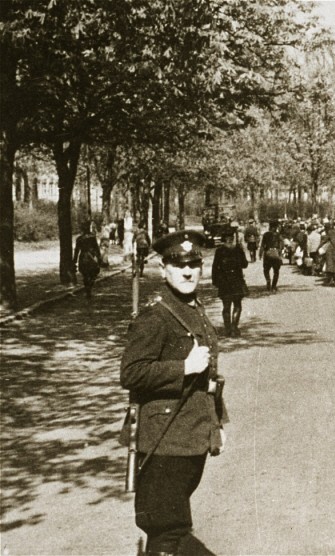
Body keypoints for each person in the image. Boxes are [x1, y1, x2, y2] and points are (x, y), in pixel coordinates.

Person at [120, 230, 227, 555]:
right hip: (165, 441)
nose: (187, 272)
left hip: (191, 436)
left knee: (171, 527)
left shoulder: (192, 307)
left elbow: (209, 378)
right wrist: (184, 367)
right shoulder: (157, 315)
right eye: (179, 266)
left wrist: (217, 424)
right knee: (168, 529)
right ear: (163, 269)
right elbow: (131, 373)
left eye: (194, 265)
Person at [212, 230, 249, 337]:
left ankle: (227, 329)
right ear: (232, 238)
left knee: (226, 305)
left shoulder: (219, 251)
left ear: (224, 240)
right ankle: (234, 328)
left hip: (224, 281)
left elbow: (215, 267)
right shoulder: (238, 249)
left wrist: (215, 281)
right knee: (237, 305)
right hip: (237, 280)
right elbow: (245, 264)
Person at [73, 222, 102, 299]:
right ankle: (90, 286)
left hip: (83, 257)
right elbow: (96, 248)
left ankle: (87, 289)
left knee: (85, 275)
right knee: (94, 273)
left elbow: (77, 250)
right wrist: (99, 258)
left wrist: (75, 260)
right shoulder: (92, 238)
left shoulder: (79, 239)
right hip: (91, 258)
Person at [259, 221, 283, 293]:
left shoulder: (266, 235)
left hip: (267, 254)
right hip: (276, 254)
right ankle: (274, 286)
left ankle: (268, 281)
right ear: (275, 227)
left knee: (266, 270)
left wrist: (260, 253)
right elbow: (281, 246)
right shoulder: (278, 235)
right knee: (276, 271)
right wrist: (279, 253)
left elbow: (263, 245)